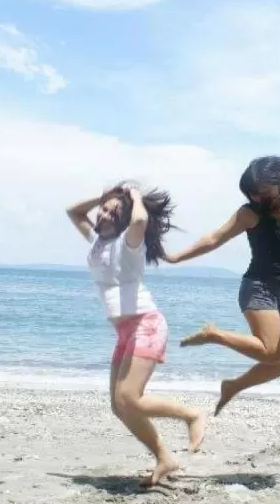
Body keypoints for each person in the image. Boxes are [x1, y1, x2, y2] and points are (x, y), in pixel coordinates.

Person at [66, 183, 206, 486]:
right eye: (102, 210)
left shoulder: (129, 242)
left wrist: (135, 198)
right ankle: (164, 458)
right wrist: (105, 196)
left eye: (112, 213)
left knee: (130, 398)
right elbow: (73, 211)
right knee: (119, 406)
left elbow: (140, 221)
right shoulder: (96, 241)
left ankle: (191, 415)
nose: (102, 215)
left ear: (123, 220)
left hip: (147, 324)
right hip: (125, 331)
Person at [164, 156, 280, 415]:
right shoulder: (250, 213)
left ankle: (233, 386)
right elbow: (215, 237)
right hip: (258, 288)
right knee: (272, 352)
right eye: (249, 191)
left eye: (258, 189)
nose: (254, 195)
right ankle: (214, 334)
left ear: (276, 182)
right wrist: (176, 257)